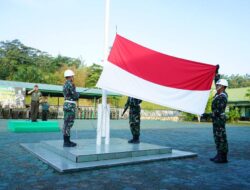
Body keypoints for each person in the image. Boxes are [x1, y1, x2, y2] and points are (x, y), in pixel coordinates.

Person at [210, 65, 229, 163]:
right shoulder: (218, 94)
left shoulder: (222, 96)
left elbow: (218, 110)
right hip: (216, 119)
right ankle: (218, 154)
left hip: (219, 119)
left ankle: (223, 157)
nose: (216, 86)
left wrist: (209, 114)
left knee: (221, 138)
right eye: (216, 85)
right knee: (217, 137)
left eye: (218, 86)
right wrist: (216, 72)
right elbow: (216, 80)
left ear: (223, 87)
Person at [62, 69, 79, 147]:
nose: (73, 77)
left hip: (66, 104)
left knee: (66, 123)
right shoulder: (71, 84)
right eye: (73, 76)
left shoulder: (65, 84)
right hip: (71, 105)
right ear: (71, 76)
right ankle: (67, 142)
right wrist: (78, 94)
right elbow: (75, 95)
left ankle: (66, 141)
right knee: (69, 124)